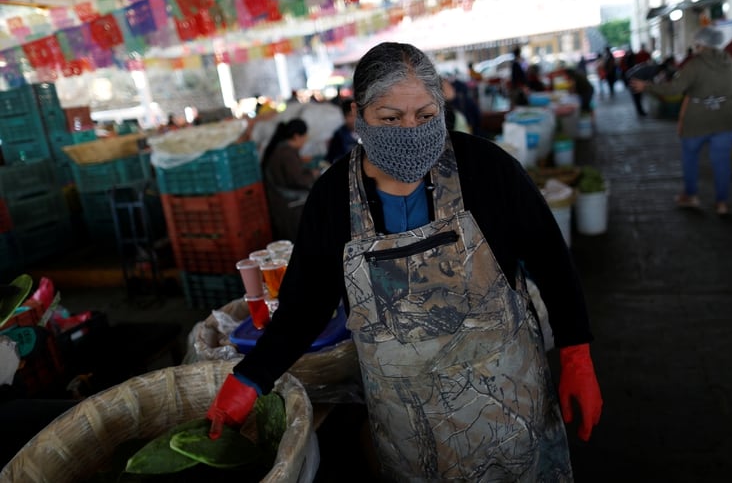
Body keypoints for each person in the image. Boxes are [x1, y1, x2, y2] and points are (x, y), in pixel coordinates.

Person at [207, 42, 602, 481]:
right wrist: (251, 378)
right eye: (391, 118)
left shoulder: (487, 169)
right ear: (360, 115)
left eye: (426, 116)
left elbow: (551, 261)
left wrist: (576, 353)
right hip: (410, 436)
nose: (411, 131)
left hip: (509, 413)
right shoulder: (333, 197)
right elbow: (305, 306)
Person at [631, 26, 732, 216]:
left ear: (701, 44)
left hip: (697, 118)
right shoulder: (729, 61)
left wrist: (647, 86)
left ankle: (691, 196)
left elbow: (674, 88)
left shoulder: (695, 64)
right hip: (725, 117)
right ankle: (722, 203)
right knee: (722, 162)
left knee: (690, 158)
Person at [260, 118, 316, 241]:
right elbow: (298, 179)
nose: (306, 139)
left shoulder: (282, 150)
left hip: (283, 204)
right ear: (297, 136)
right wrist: (313, 175)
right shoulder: (286, 153)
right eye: (305, 136)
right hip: (288, 207)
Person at [325, 97, 358, 164]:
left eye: (354, 115)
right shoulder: (339, 134)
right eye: (349, 116)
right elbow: (331, 158)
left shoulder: (368, 134)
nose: (352, 120)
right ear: (344, 117)